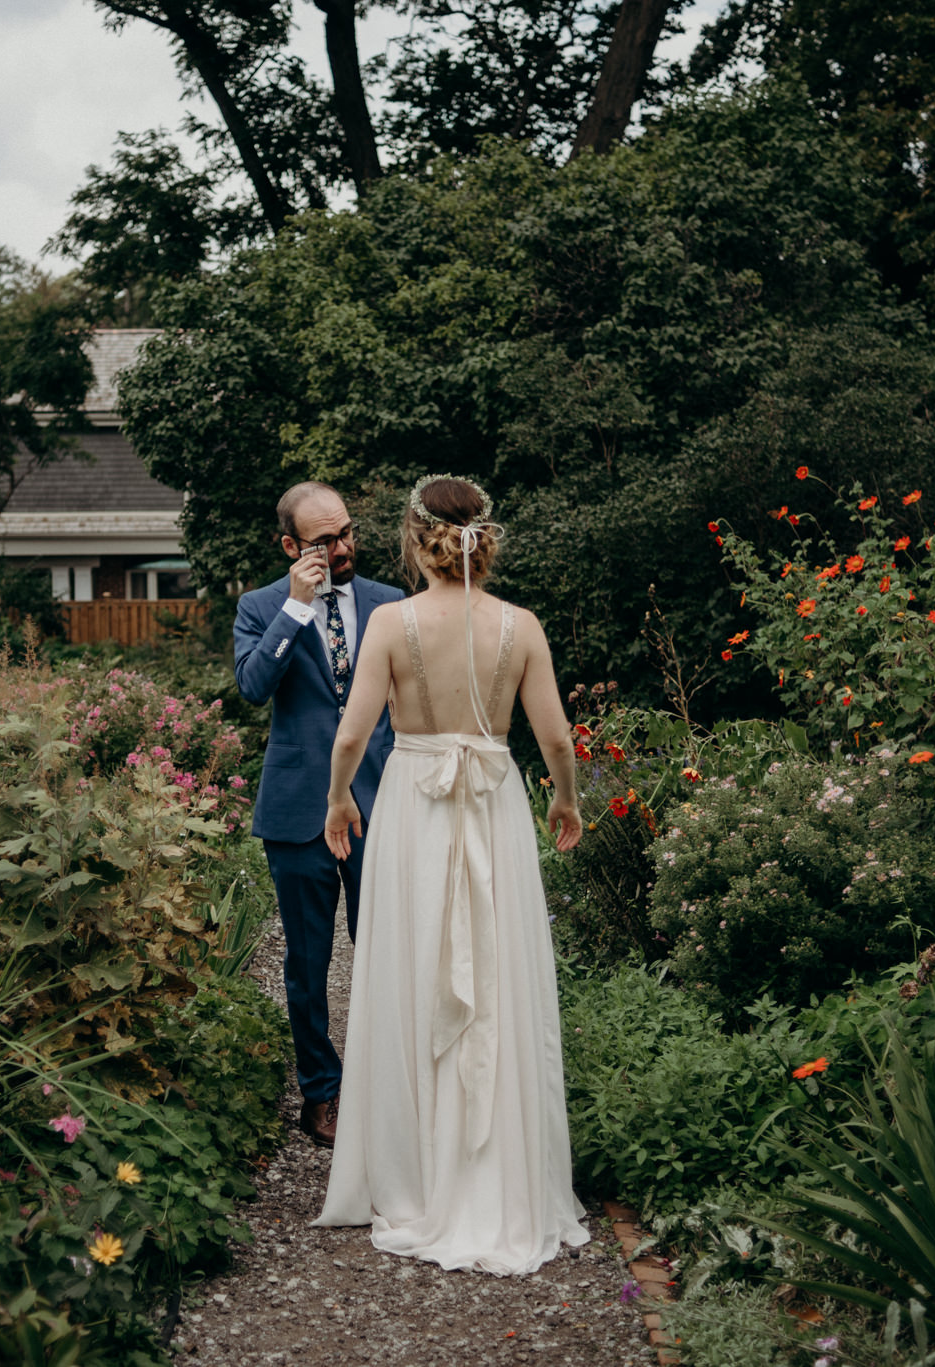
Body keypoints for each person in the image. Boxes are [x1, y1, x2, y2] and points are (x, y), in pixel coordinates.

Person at [311, 474, 590, 1275]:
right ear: (483, 537)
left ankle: (414, 1172)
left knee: (413, 971)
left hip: (413, 808)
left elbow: (351, 736)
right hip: (495, 804)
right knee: (496, 982)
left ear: (413, 536)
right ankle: (501, 1174)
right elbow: (559, 739)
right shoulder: (522, 625)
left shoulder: (392, 623)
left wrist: (338, 803)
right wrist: (565, 803)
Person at [234, 481, 404, 1148]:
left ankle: (388, 1085)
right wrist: (297, 610)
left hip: (380, 803)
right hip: (300, 806)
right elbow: (252, 687)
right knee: (307, 965)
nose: (342, 548)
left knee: (387, 955)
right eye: (324, 541)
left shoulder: (391, 602)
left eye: (347, 533)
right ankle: (322, 1093)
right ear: (290, 546)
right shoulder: (262, 606)